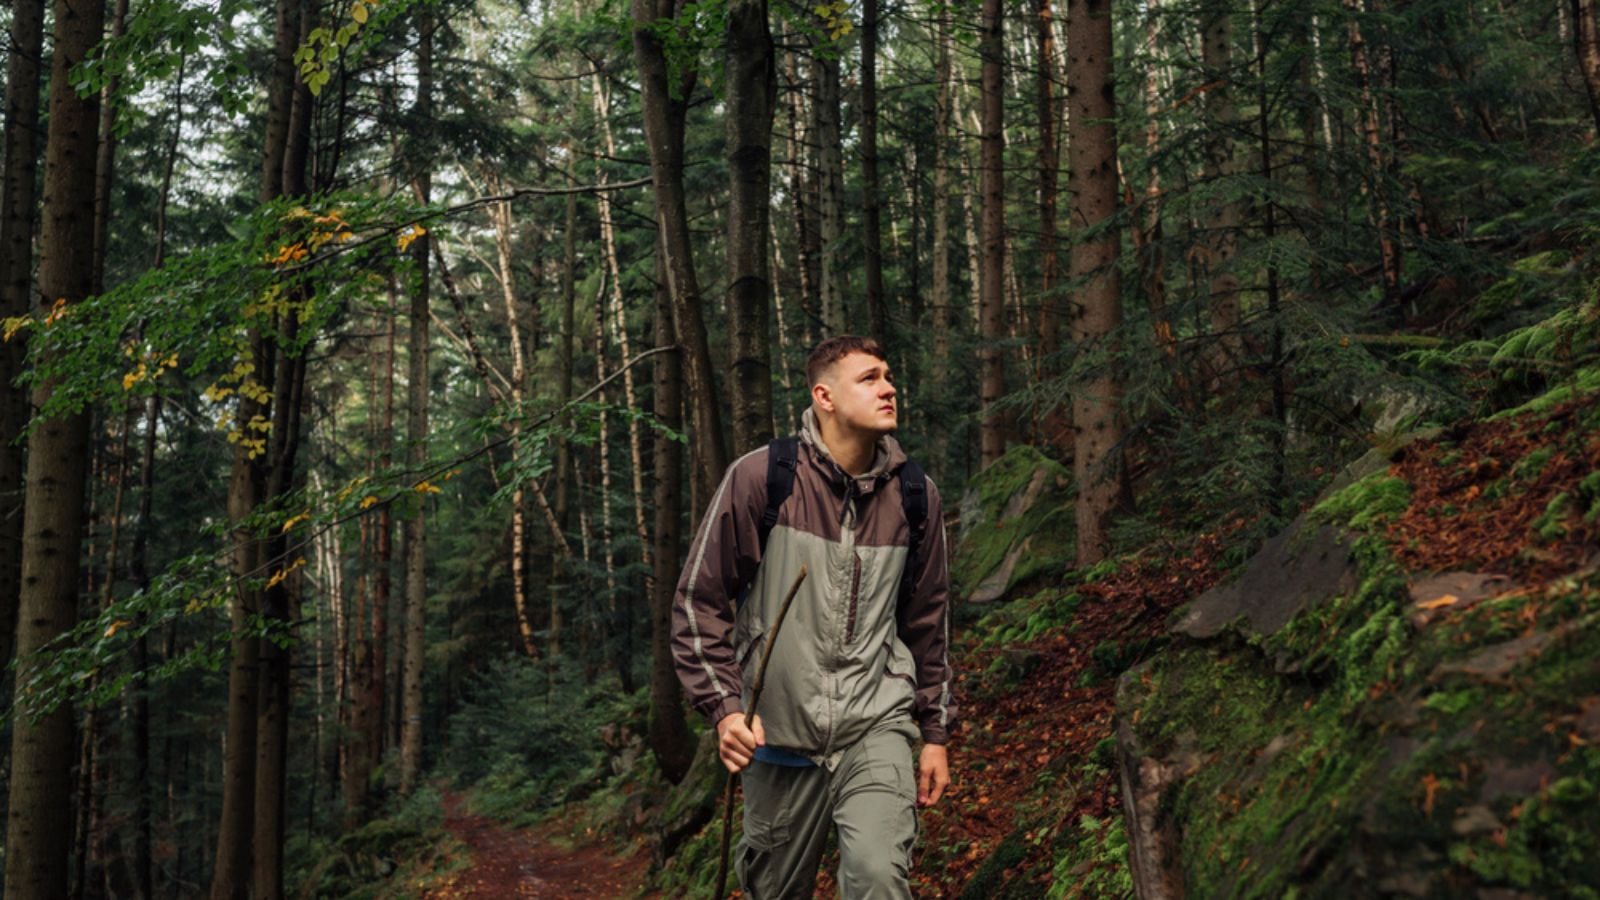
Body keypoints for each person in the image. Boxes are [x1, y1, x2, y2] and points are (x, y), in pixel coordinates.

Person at [672, 335, 956, 899]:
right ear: (824, 396)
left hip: (875, 725)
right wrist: (728, 713)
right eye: (870, 378)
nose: (889, 387)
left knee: (877, 876)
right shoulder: (762, 478)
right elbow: (696, 603)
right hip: (777, 735)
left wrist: (935, 734)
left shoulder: (915, 496)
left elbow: (928, 624)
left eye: (889, 375)